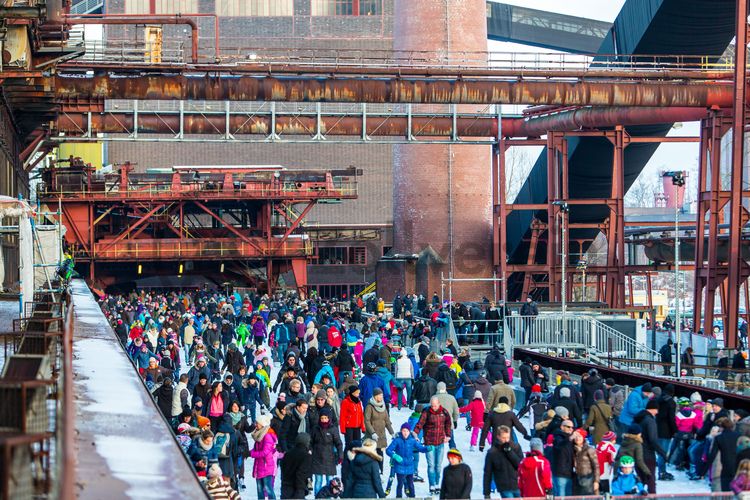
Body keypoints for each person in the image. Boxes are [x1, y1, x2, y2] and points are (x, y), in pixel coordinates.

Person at [413, 396, 453, 495]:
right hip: (429, 442)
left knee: (438, 466)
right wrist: (415, 433)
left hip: (440, 442)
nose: (434, 407)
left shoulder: (444, 412)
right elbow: (420, 423)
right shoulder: (426, 411)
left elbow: (448, 423)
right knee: (431, 465)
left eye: (435, 405)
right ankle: (431, 485)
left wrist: (448, 435)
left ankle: (437, 484)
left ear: (439, 404)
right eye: (432, 405)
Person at [386, 422, 429, 498]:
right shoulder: (397, 440)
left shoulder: (412, 441)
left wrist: (427, 448)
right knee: (400, 484)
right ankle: (399, 497)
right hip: (400, 466)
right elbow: (388, 450)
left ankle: (412, 497)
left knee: (411, 485)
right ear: (401, 431)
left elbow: (420, 448)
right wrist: (395, 456)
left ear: (409, 432)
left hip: (410, 466)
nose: (405, 433)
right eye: (404, 431)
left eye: (407, 431)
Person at [484, 425, 524, 498]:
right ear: (498, 437)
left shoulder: (516, 447)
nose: (506, 440)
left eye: (507, 437)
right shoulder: (492, 452)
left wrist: (509, 452)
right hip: (504, 486)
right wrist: (487, 492)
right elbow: (488, 473)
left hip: (517, 484)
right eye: (503, 438)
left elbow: (520, 465)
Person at [311, 408, 343, 495]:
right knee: (318, 481)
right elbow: (311, 442)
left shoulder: (333, 429)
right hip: (317, 458)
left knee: (330, 481)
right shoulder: (315, 429)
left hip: (330, 458)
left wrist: (340, 455)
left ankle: (329, 496)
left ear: (329, 418)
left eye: (325, 418)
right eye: (322, 418)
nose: (324, 420)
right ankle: (318, 496)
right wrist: (310, 452)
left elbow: (339, 443)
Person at [707, 417, 741, 492]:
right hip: (738, 466)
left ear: (721, 427)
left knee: (726, 491)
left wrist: (703, 471)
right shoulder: (739, 435)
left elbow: (712, 455)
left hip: (726, 468)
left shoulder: (719, 437)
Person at [364, 387, 394, 469]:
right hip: (372, 435)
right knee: (372, 454)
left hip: (381, 435)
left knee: (380, 454)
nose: (381, 397)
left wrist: (392, 433)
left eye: (382, 395)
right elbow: (366, 421)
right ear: (375, 396)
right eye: (380, 395)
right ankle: (372, 472)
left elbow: (387, 421)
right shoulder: (369, 407)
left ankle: (380, 471)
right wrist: (372, 432)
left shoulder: (383, 406)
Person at [250, 414, 277, 499]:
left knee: (268, 489)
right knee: (260, 490)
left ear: (263, 424)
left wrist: (251, 454)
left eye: (257, 423)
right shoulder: (259, 435)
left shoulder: (267, 436)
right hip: (260, 465)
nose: (256, 424)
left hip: (266, 466)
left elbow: (265, 452)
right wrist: (247, 452)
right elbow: (256, 449)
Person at [615, 424, 651, 488]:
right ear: (637, 434)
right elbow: (639, 460)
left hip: (619, 467)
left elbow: (617, 456)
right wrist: (647, 472)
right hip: (627, 467)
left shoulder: (624, 441)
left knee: (619, 485)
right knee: (628, 485)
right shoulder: (637, 444)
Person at [281, 433, 312, 499]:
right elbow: (302, 474)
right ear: (306, 443)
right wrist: (307, 488)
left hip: (285, 488)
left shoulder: (287, 454)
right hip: (298, 490)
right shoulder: (306, 456)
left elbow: (283, 471)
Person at [571, 428, 599, 495]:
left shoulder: (589, 449)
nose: (578, 438)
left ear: (583, 438)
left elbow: (596, 466)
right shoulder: (572, 449)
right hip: (576, 479)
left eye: (580, 436)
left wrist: (596, 481)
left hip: (588, 478)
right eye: (576, 436)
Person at [551, 419, 575, 496]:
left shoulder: (570, 439)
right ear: (562, 427)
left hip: (569, 472)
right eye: (568, 427)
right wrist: (569, 439)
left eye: (572, 427)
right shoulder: (557, 436)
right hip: (560, 473)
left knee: (569, 496)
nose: (571, 429)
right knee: (561, 496)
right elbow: (559, 446)